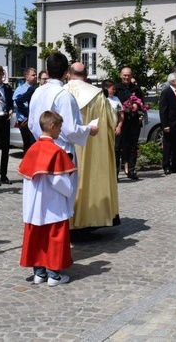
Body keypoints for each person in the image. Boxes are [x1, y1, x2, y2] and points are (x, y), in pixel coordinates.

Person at [27, 52, 98, 213]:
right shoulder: (64, 96)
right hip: (61, 153)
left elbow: (31, 123)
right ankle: (60, 232)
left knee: (43, 196)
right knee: (61, 198)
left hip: (40, 149)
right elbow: (71, 130)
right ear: (67, 72)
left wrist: (42, 139)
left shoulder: (37, 92)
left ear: (47, 69)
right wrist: (89, 130)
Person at [19, 111, 77, 286]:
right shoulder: (56, 151)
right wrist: (70, 191)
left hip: (34, 203)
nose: (60, 131)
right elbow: (59, 180)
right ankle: (54, 275)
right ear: (52, 127)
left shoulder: (32, 149)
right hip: (52, 203)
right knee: (54, 237)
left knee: (37, 236)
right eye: (59, 127)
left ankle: (39, 273)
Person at [63, 62, 120, 233]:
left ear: (68, 74)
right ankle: (89, 218)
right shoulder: (96, 95)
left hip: (66, 145)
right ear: (86, 76)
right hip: (91, 146)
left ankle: (66, 220)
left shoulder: (61, 92)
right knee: (89, 177)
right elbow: (111, 121)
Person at [115, 66, 144, 179]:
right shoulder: (117, 88)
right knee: (119, 147)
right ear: (121, 75)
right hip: (121, 121)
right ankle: (116, 172)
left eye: (128, 75)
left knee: (132, 146)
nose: (126, 77)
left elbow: (142, 102)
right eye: (124, 75)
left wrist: (138, 106)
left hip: (133, 121)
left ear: (132, 76)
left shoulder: (136, 88)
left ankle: (131, 170)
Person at [14, 67, 38, 153]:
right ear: (27, 77)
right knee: (28, 145)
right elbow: (15, 103)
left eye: (36, 75)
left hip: (34, 121)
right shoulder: (20, 89)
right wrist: (27, 112)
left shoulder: (36, 88)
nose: (35, 77)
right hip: (24, 121)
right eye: (33, 75)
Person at [103, 80, 124, 177]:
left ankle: (115, 173)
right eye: (112, 89)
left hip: (114, 129)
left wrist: (119, 126)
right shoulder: (102, 99)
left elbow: (121, 114)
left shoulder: (116, 99)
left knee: (116, 151)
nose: (114, 91)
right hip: (104, 130)